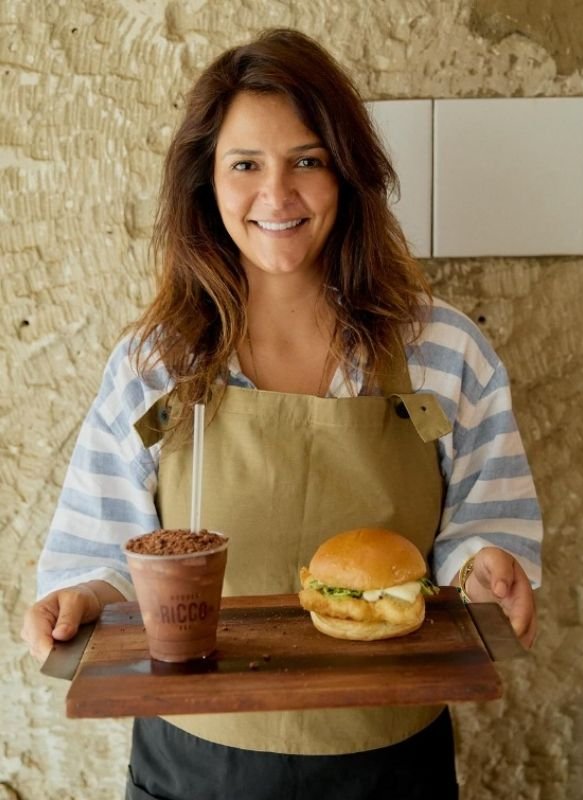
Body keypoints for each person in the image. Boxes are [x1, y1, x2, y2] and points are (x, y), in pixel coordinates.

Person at [21, 29, 540, 799]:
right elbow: (104, 553)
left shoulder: (442, 352)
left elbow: (481, 531)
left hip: (389, 757)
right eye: (245, 165)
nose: (277, 195)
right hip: (195, 762)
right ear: (206, 182)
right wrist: (80, 598)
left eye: (307, 160)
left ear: (348, 173)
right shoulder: (156, 364)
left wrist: (487, 564)